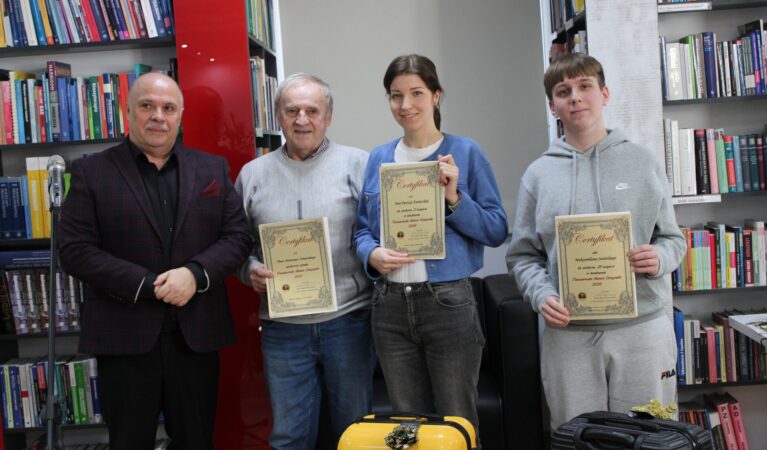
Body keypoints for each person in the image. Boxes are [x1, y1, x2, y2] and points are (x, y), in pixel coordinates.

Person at [57, 72, 253, 449]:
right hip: (124, 338)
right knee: (129, 442)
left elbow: (238, 236)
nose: (158, 116)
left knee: (197, 442)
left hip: (196, 337)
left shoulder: (212, 169)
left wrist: (195, 274)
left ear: (180, 115)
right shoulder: (91, 172)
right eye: (147, 106)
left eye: (168, 108)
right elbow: (76, 250)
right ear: (128, 111)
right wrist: (148, 285)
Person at [505, 53, 686, 429]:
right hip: (568, 338)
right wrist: (541, 295)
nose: (575, 97)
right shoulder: (538, 175)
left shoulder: (643, 162)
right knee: (578, 437)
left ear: (604, 93)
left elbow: (673, 239)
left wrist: (659, 257)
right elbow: (522, 256)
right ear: (553, 106)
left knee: (649, 435)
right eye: (563, 91)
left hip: (642, 332)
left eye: (584, 86)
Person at [354, 54, 508, 437]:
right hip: (389, 307)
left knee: (457, 422)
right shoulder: (378, 158)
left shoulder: (466, 153)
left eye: (416, 93)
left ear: (436, 95)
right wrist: (371, 254)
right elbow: (361, 231)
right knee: (407, 428)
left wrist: (454, 199)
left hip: (448, 304)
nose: (405, 105)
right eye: (396, 95)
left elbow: (496, 229)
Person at [234, 73, 374, 449]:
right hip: (283, 329)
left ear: (328, 116)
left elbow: (376, 236)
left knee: (355, 434)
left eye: (312, 110)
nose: (302, 120)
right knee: (288, 437)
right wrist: (249, 269)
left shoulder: (358, 164)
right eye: (291, 110)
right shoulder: (252, 175)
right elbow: (234, 245)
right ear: (278, 115)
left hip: (348, 320)